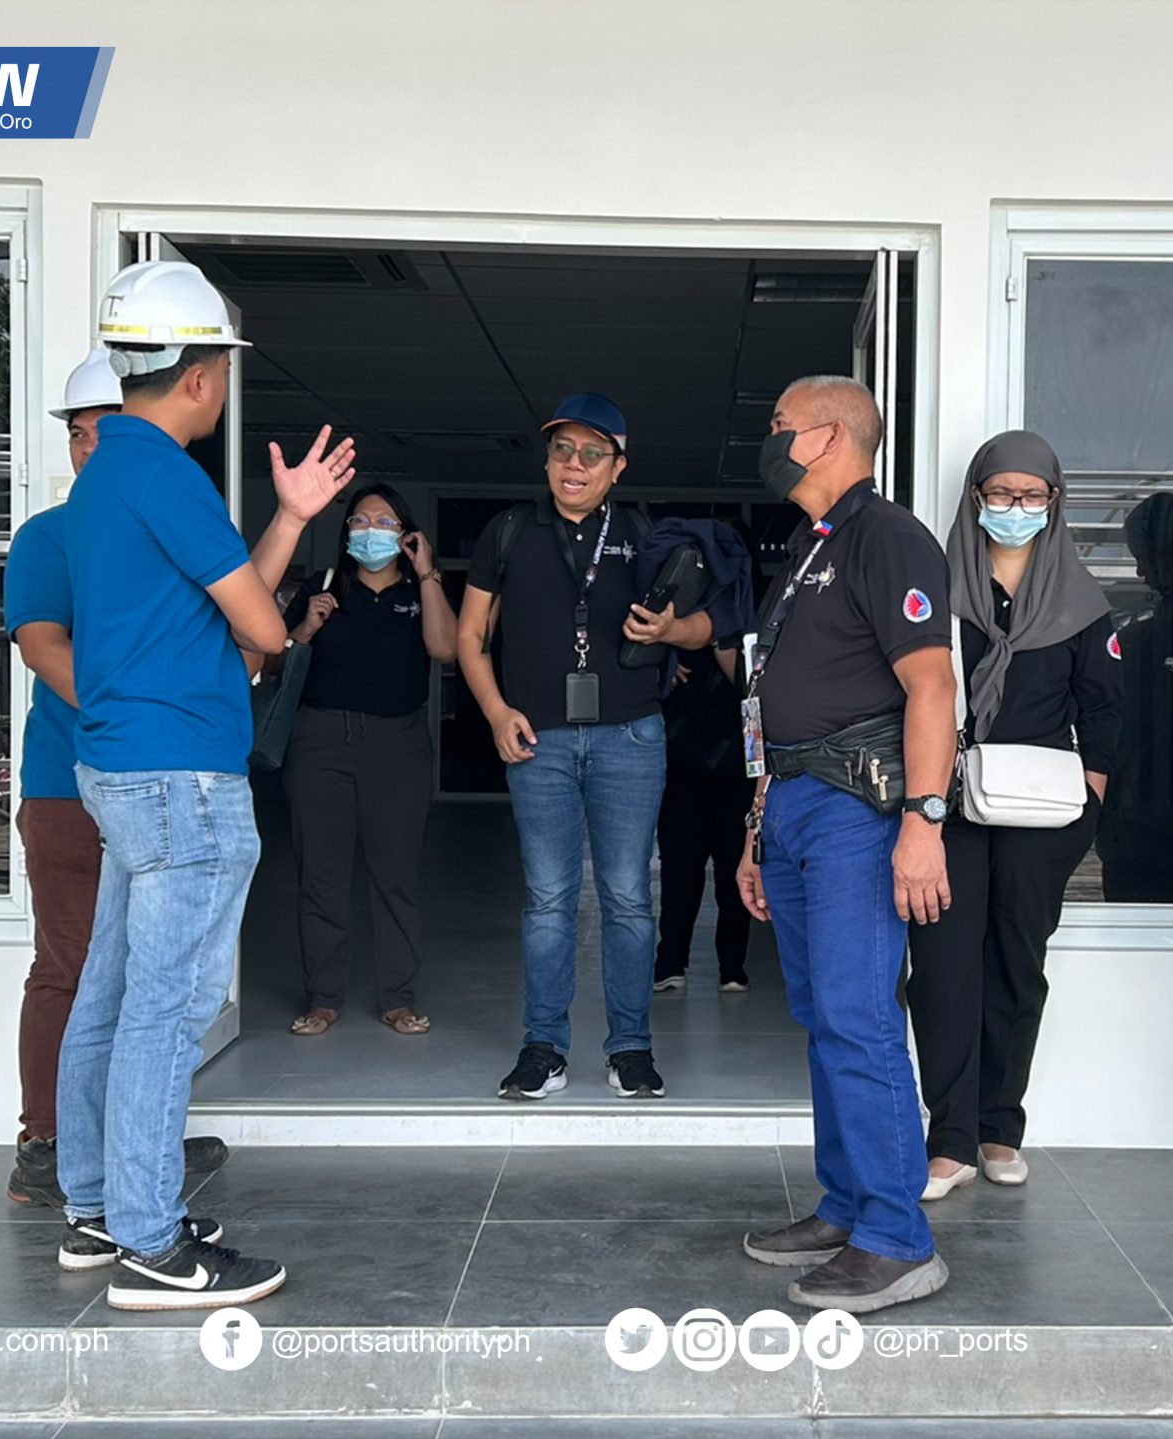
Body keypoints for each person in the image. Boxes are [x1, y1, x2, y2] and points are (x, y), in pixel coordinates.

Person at [54, 261, 351, 1310]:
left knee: (110, 995)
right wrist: (268, 617)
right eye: (222, 364)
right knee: (166, 1010)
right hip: (181, 774)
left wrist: (289, 517)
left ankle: (96, 1205)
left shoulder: (105, 475)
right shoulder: (169, 475)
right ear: (199, 375)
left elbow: (219, 604)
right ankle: (150, 1241)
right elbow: (263, 626)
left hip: (121, 766)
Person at [734, 375, 955, 1314]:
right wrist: (757, 829)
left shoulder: (886, 536)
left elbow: (932, 686)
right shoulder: (812, 543)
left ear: (827, 437)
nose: (770, 438)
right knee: (824, 1013)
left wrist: (924, 820)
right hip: (792, 799)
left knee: (858, 1016)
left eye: (778, 425)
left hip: (857, 809)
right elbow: (772, 697)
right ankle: (849, 1204)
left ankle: (899, 1238)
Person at [1, 347, 227, 1209]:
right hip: (72, 782)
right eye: (79, 434)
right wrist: (126, 714)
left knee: (146, 973)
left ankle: (133, 1143)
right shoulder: (49, 536)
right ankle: (48, 1139)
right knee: (73, 963)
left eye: (108, 429)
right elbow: (42, 644)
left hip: (156, 777)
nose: (92, 446)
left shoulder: (165, 517)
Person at [455, 392, 711, 1102]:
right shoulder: (508, 531)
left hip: (630, 734)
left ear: (618, 467)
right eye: (563, 449)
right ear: (547, 459)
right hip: (536, 738)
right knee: (547, 899)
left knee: (628, 896)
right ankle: (543, 1047)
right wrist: (496, 711)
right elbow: (469, 636)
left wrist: (670, 631)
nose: (575, 464)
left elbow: (704, 629)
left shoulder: (645, 535)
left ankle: (630, 1048)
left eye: (592, 453)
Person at [906, 431, 1117, 1200]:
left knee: (1015, 967)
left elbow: (1104, 711)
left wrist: (1087, 808)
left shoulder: (1082, 601)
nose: (1016, 507)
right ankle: (950, 1139)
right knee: (942, 968)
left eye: (1032, 495)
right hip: (949, 802)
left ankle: (999, 1127)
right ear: (976, 497)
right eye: (1002, 493)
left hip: (1044, 813)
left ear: (1055, 501)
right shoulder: (936, 587)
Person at [279, 482, 455, 1038]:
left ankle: (398, 997)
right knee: (321, 874)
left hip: (396, 744)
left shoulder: (419, 592)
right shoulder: (323, 585)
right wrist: (308, 626)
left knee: (395, 874)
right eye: (359, 521)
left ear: (405, 534)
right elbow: (276, 657)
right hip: (320, 741)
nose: (369, 531)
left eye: (383, 522)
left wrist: (428, 573)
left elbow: (445, 648)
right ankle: (323, 998)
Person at [1097, 490, 1173, 904]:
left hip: (1164, 810)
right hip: (1138, 814)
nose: (1141, 571)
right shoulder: (1141, 637)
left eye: (1145, 556)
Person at [654, 650, 755, 994]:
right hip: (683, 738)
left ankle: (731, 964)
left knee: (732, 861)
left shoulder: (747, 616)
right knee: (681, 862)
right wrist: (664, 660)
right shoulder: (674, 621)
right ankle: (673, 959)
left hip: (738, 737)